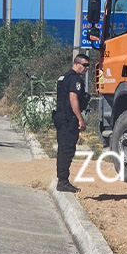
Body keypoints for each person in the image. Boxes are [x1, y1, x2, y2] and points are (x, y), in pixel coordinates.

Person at [52, 54, 91, 193]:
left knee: (63, 149)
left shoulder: (63, 78)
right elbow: (73, 98)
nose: (87, 68)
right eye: (84, 65)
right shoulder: (74, 78)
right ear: (76, 63)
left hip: (61, 117)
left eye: (88, 66)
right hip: (69, 119)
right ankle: (63, 181)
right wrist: (80, 118)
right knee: (67, 150)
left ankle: (62, 179)